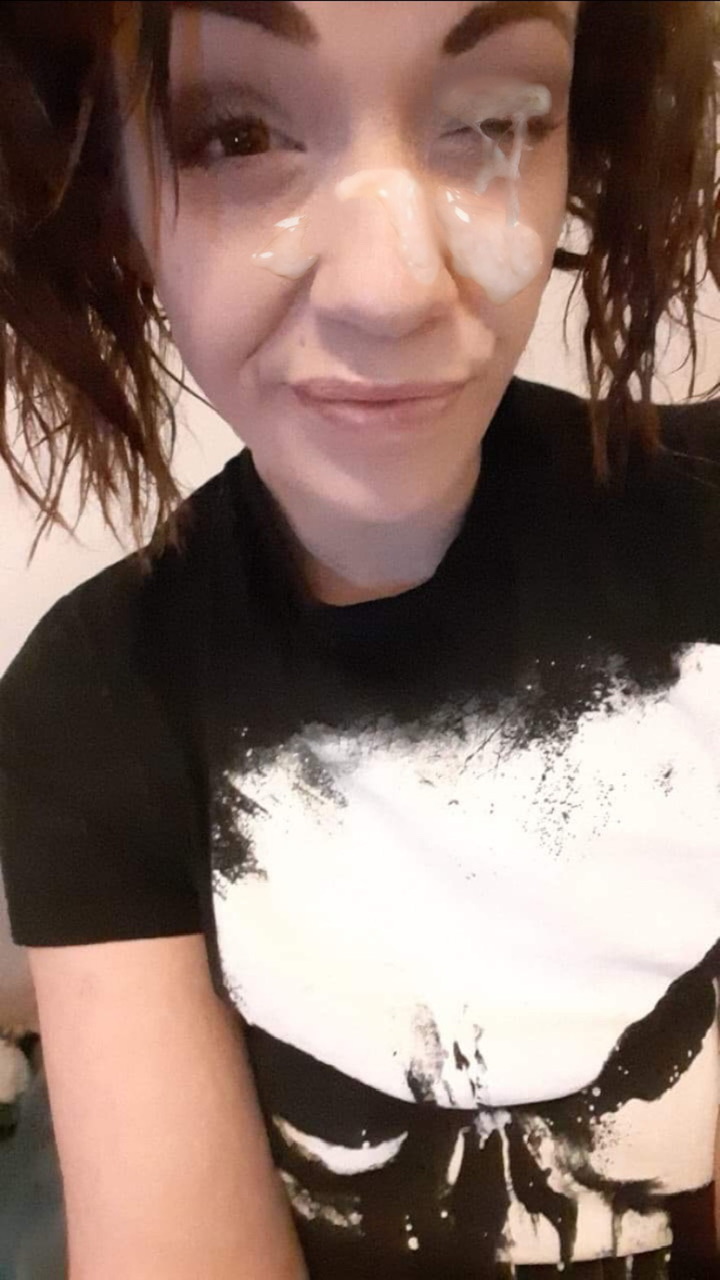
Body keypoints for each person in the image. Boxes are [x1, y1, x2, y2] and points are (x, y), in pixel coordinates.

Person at [0, 1, 719, 1277]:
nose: (393, 291)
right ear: (105, 183)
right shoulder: (95, 703)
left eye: (495, 119)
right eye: (234, 133)